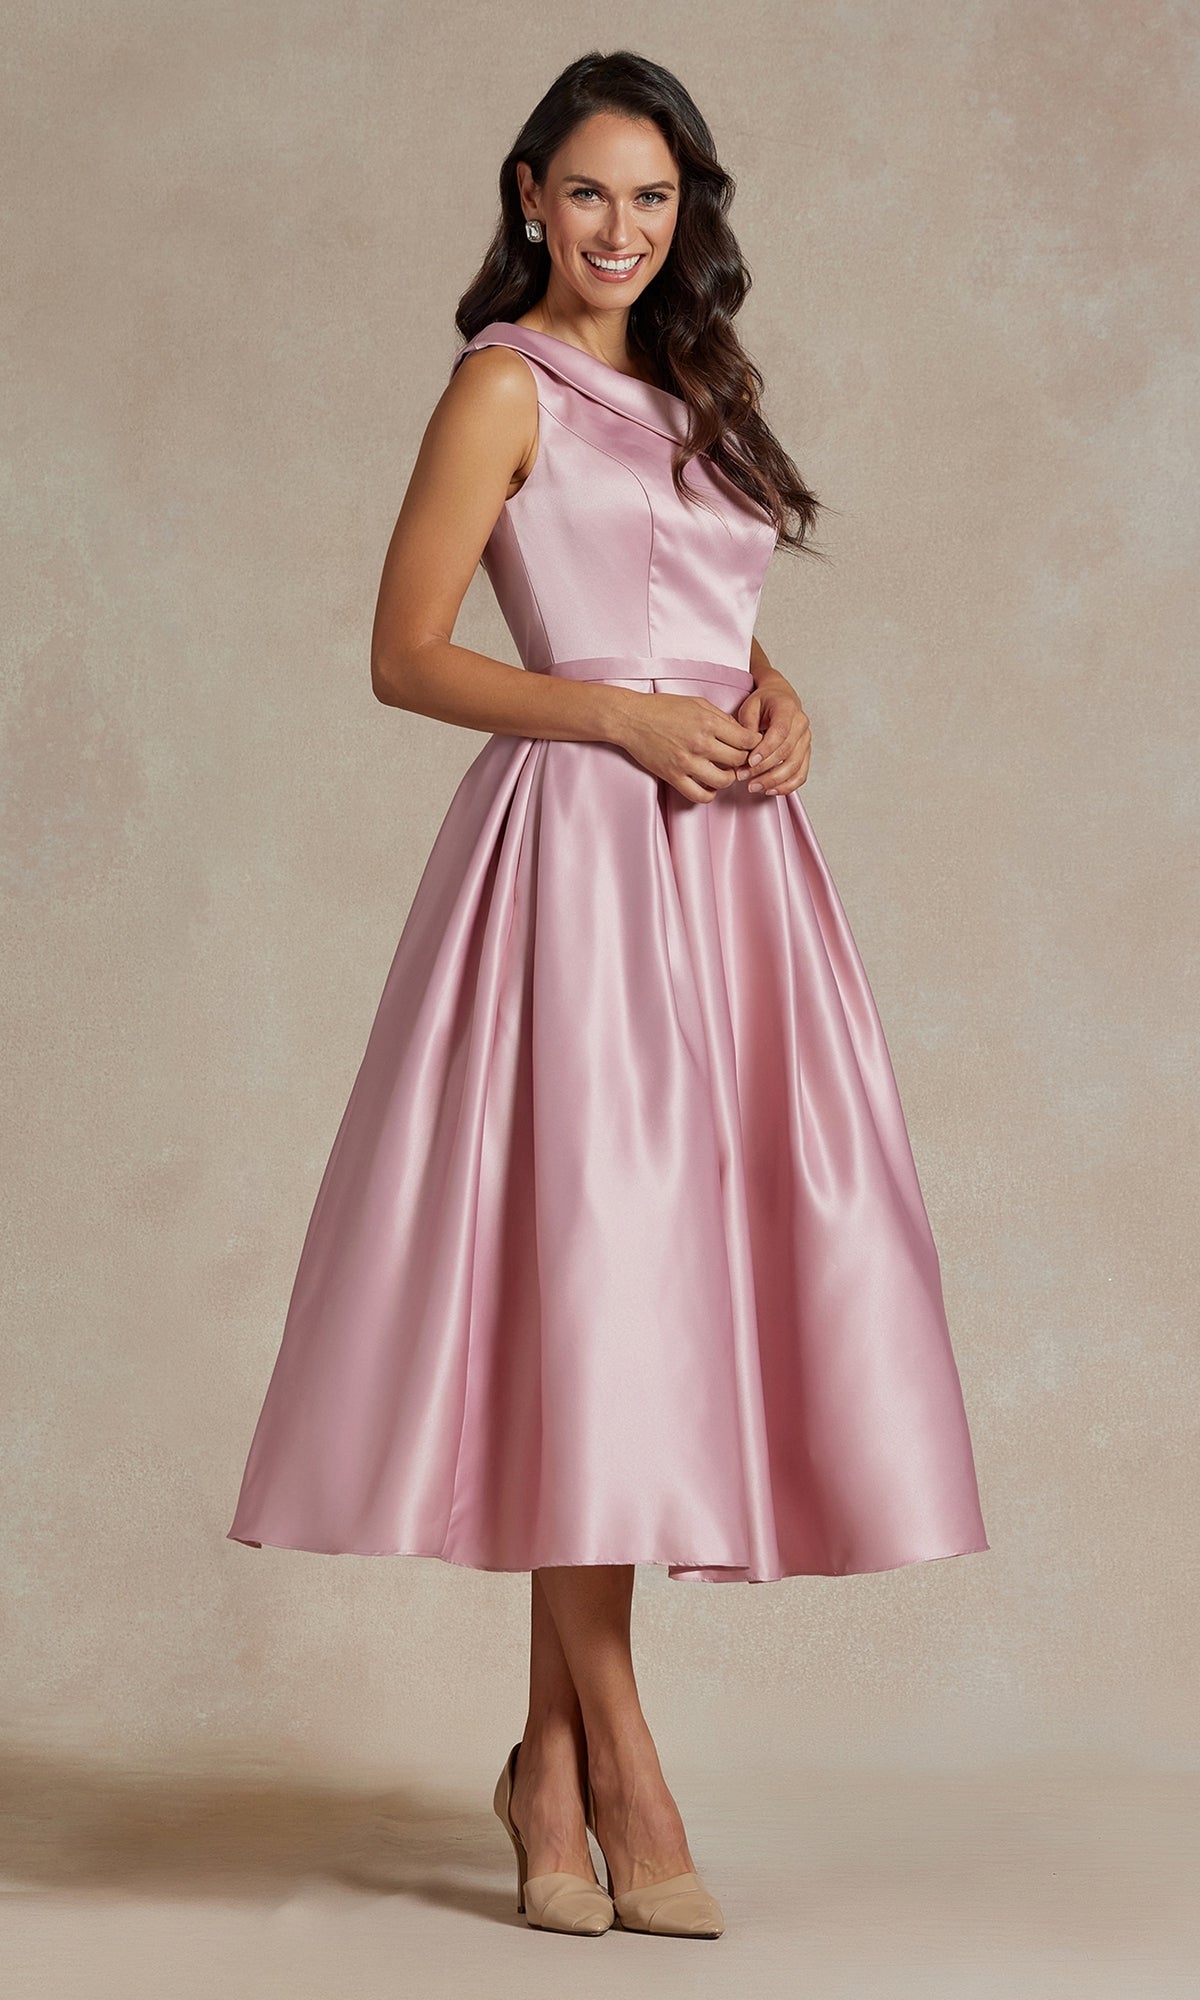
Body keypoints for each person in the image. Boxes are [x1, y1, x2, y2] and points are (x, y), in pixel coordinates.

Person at [227, 49, 990, 1939]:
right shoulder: (503, 384)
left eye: (654, 200)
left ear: (687, 214)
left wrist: (766, 688)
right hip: (573, 860)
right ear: (525, 194)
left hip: (726, 875)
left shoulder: (692, 391)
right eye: (590, 195)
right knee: (593, 1288)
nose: (622, 231)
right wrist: (627, 720)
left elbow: (690, 598)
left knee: (653, 1310)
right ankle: (618, 1756)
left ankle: (543, 1765)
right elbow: (409, 654)